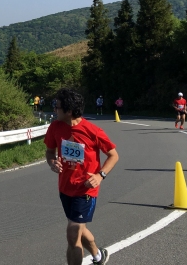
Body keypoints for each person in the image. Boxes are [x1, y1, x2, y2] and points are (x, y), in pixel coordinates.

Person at [45, 88, 119, 265]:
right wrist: (52, 162)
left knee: (72, 235)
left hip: (86, 189)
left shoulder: (92, 131)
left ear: (69, 111)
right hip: (65, 188)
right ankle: (99, 256)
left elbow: (114, 155)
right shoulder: (55, 127)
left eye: (57, 106)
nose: (54, 109)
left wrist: (100, 175)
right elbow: (49, 151)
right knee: (79, 228)